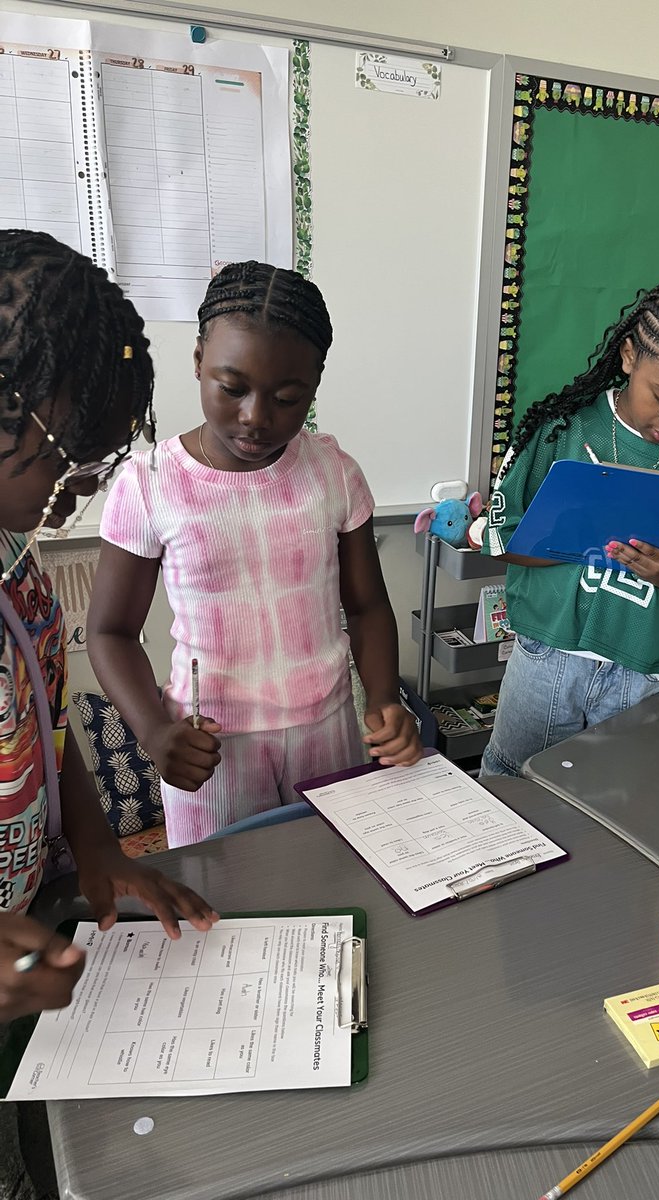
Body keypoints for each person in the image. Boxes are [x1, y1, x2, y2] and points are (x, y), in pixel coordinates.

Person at [0, 230, 219, 1200]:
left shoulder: (17, 563)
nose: (84, 486)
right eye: (70, 455)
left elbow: (46, 727)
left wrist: (95, 850)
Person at [89, 261, 421, 847]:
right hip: (209, 746)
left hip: (326, 731)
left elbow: (367, 607)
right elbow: (110, 632)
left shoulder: (333, 474)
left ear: (314, 385)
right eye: (232, 388)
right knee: (222, 889)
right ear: (198, 361)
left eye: (287, 398)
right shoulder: (150, 483)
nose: (255, 418)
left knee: (331, 874)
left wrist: (384, 698)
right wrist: (154, 732)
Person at [480, 270, 659, 777]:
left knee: (623, 799)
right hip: (547, 657)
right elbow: (503, 540)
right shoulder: (562, 431)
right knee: (513, 777)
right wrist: (571, 537)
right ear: (629, 356)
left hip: (646, 676)